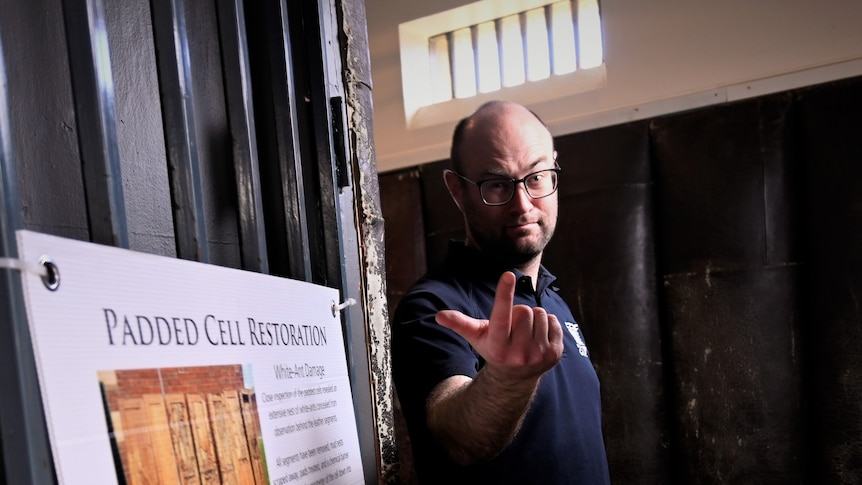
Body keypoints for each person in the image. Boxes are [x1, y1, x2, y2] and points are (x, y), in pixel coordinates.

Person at [391, 100, 610, 484]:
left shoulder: (552, 297)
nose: (522, 204)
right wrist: (510, 378)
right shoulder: (434, 306)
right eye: (497, 184)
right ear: (458, 191)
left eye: (536, 176)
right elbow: (457, 436)